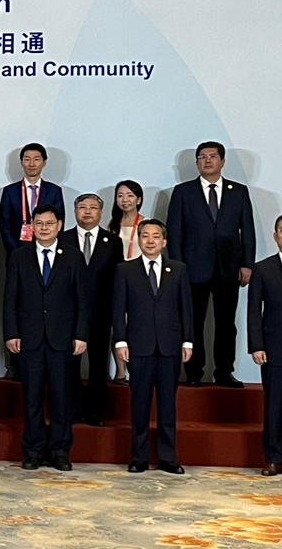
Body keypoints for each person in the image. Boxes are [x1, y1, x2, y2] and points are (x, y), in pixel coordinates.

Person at [4, 205, 90, 472]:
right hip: (29, 339)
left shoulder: (73, 257)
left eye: (49, 223)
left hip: (62, 339)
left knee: (62, 397)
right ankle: (32, 451)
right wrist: (11, 332)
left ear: (59, 225)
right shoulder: (19, 257)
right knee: (31, 398)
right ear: (32, 226)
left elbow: (82, 300)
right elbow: (10, 298)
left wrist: (80, 334)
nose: (44, 228)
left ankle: (60, 451)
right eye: (38, 223)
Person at [167, 141, 256, 388]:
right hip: (192, 269)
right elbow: (175, 233)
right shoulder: (183, 191)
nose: (207, 160)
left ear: (223, 161)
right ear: (197, 162)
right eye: (202, 156)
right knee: (192, 322)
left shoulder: (238, 191)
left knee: (226, 324)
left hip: (228, 268)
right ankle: (193, 372)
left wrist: (247, 264)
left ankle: (224, 372)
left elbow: (247, 231)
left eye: (213, 156)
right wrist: (177, 267)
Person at [113, 219, 193, 474]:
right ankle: (139, 457)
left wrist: (187, 341)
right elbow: (118, 310)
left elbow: (186, 309)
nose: (150, 241)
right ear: (138, 240)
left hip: (170, 346)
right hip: (139, 346)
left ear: (164, 242)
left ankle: (168, 457)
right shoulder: (125, 270)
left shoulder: (178, 270)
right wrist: (121, 341)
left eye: (155, 236)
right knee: (140, 404)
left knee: (168, 404)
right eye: (145, 236)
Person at [70, 193, 124, 427]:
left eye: (93, 207)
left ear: (101, 213)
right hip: (69, 314)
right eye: (83, 207)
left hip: (101, 312)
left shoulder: (112, 242)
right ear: (75, 211)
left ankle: (95, 410)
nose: (88, 212)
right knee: (70, 364)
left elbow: (117, 279)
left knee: (98, 364)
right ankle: (72, 408)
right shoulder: (63, 239)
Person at [249, 216, 282, 476]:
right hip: (273, 348)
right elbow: (253, 311)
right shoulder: (263, 268)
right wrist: (256, 345)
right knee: (273, 405)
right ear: (275, 236)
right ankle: (273, 457)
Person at [108, 180, 146, 384]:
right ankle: (120, 372)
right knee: (118, 325)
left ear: (139, 199)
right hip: (116, 279)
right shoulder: (111, 225)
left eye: (130, 195)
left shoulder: (146, 224)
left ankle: (138, 369)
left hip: (140, 279)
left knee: (138, 325)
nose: (125, 200)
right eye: (120, 195)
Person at [0, 143, 66, 257]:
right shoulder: (10, 191)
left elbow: (59, 223)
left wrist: (47, 248)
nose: (31, 164)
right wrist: (16, 252)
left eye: (36, 159)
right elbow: (4, 226)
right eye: (27, 159)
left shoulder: (54, 191)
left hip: (46, 253)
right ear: (21, 162)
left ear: (44, 163)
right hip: (16, 252)